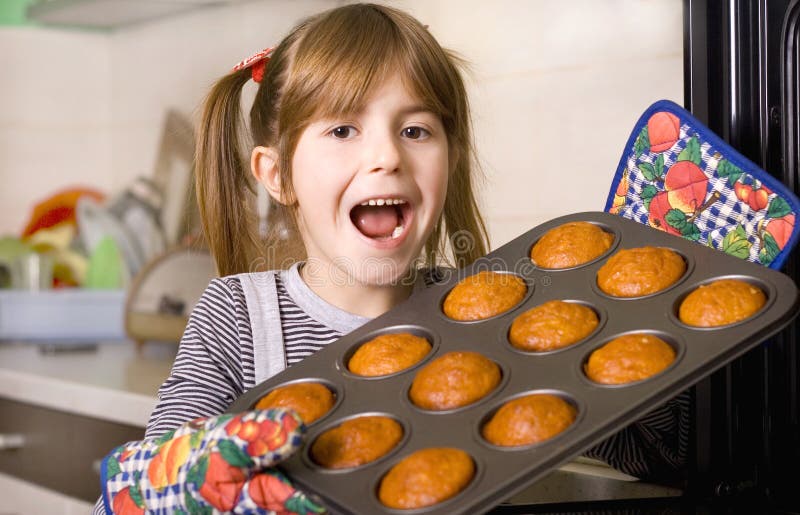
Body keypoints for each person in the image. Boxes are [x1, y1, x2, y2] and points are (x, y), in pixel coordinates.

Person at [96, 3, 688, 513]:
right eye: (343, 130)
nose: (386, 156)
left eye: (416, 130)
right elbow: (139, 492)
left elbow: (663, 457)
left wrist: (649, 308)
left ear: (449, 158)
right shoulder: (239, 319)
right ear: (277, 175)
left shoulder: (485, 318)